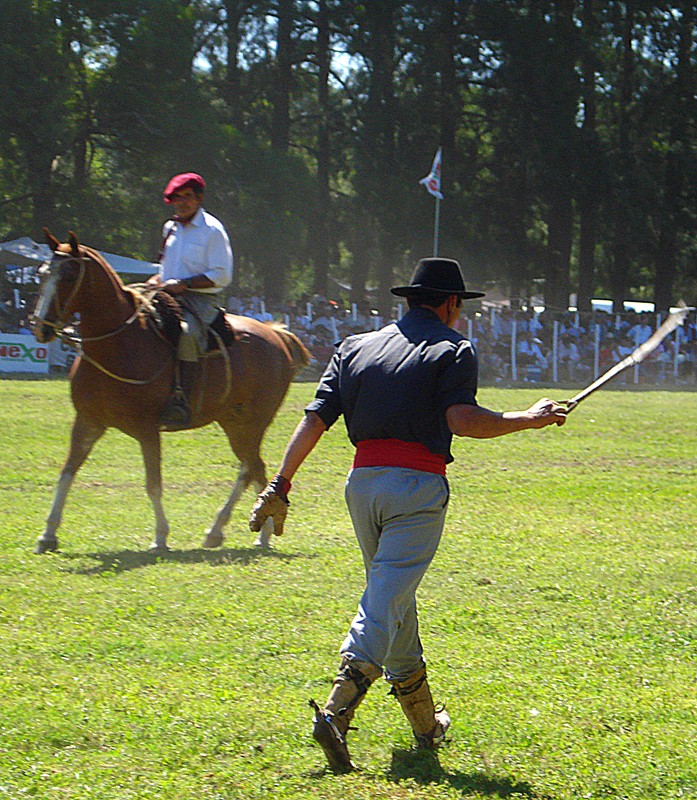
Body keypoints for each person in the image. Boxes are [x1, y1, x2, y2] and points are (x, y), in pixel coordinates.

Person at [248, 257, 567, 773]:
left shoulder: (355, 346)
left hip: (362, 488)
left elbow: (315, 420)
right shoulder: (453, 347)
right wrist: (526, 420)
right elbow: (461, 420)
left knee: (392, 599)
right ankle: (336, 712)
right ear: (450, 304)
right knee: (383, 601)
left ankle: (425, 724)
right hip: (417, 488)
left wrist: (279, 485)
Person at [147, 172, 233, 428]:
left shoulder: (212, 230)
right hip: (165, 292)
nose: (182, 202)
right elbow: (167, 267)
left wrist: (184, 284)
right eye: (177, 198)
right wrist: (157, 279)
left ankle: (180, 398)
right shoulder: (169, 227)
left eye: (187, 197)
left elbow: (222, 274)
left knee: (186, 332)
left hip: (200, 299)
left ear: (199, 199)